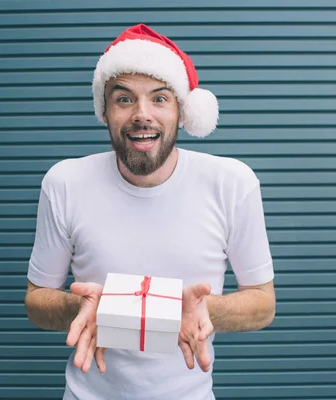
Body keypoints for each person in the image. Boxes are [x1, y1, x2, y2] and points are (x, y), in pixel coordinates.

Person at [24, 24, 276, 400]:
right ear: (105, 111)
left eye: (159, 99)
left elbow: (262, 303)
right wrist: (84, 309)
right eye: (124, 99)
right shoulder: (64, 183)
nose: (142, 115)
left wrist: (191, 312)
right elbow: (36, 299)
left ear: (181, 111)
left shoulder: (233, 183)